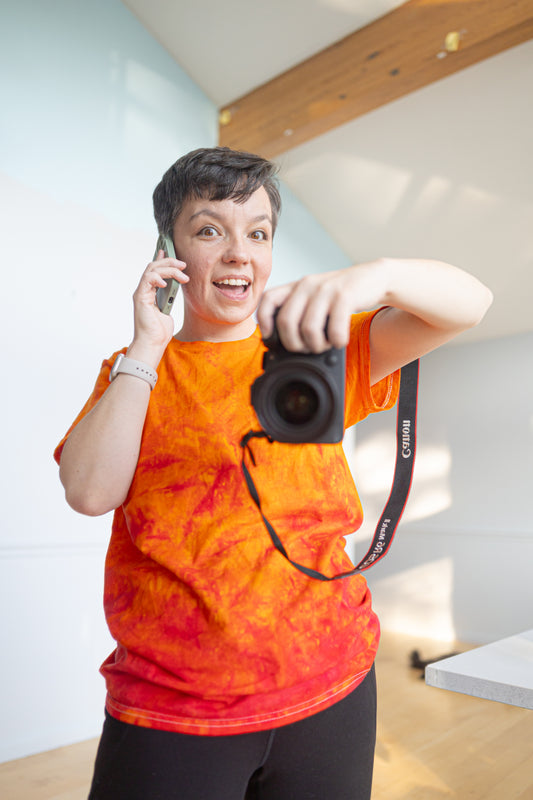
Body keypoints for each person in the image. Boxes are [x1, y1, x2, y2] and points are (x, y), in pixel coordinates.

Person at [55, 146, 493, 800]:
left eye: (258, 233)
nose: (239, 253)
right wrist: (146, 344)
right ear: (168, 250)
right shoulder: (136, 372)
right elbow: (90, 491)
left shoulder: (315, 349)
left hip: (332, 685)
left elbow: (471, 304)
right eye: (210, 230)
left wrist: (375, 278)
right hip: (176, 706)